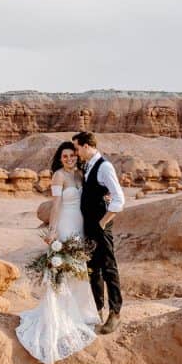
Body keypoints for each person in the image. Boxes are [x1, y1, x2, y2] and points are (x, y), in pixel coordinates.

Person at [15, 142, 99, 364]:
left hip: (80, 225)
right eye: (65, 156)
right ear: (60, 159)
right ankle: (62, 314)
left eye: (72, 155)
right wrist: (52, 231)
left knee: (79, 267)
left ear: (76, 156)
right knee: (64, 268)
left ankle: (81, 312)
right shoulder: (58, 176)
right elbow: (56, 205)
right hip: (65, 225)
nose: (69, 158)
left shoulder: (81, 174)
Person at [71, 131, 125, 334]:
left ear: (86, 146)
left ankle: (115, 313)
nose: (76, 152)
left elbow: (119, 198)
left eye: (77, 148)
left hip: (100, 226)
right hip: (89, 226)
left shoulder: (105, 166)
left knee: (109, 267)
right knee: (93, 268)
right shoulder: (88, 166)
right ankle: (97, 310)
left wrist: (103, 223)